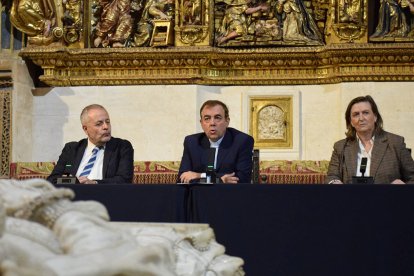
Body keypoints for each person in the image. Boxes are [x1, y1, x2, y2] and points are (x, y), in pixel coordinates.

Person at [326, 95, 414, 184]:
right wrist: (334, 182)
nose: (361, 118)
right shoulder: (340, 147)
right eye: (356, 114)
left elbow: (412, 178)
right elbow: (331, 176)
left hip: (387, 197)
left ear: (375, 117)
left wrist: (404, 186)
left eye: (365, 113)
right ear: (351, 122)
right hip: (350, 197)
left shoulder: (395, 142)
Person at [47, 104, 134, 184]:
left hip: (105, 196)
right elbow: (53, 179)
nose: (106, 127)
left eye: (107, 122)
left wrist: (94, 183)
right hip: (72, 196)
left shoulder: (122, 147)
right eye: (99, 124)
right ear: (85, 129)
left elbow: (124, 179)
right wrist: (74, 182)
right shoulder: (71, 149)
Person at [178, 100, 254, 184]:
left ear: (227, 121)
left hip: (230, 194)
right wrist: (220, 179)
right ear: (201, 123)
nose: (212, 123)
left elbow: (242, 178)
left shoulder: (242, 141)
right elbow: (183, 178)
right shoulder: (192, 142)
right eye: (207, 118)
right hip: (200, 195)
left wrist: (199, 176)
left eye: (217, 118)